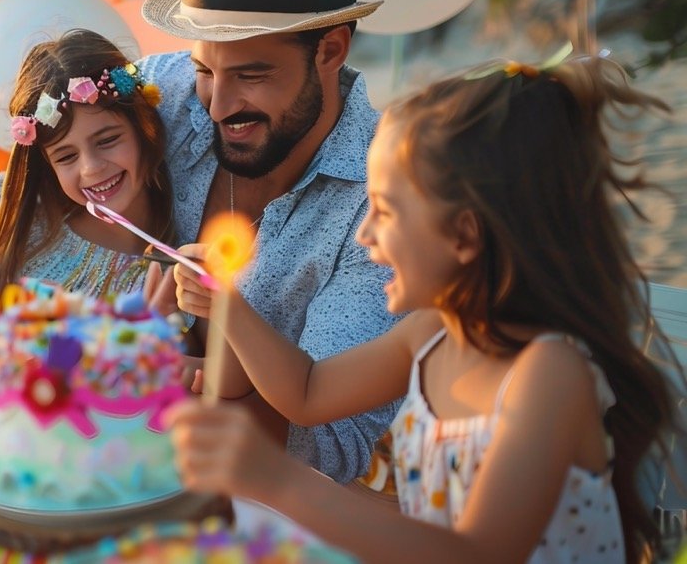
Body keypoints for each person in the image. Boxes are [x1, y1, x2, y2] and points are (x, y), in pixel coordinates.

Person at [0, 0, 404, 482]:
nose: (217, 105)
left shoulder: (384, 202)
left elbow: (331, 443)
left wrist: (131, 390)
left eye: (251, 75)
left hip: (250, 495)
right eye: (206, 69)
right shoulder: (173, 90)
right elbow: (26, 166)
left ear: (331, 49)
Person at [168, 55, 679, 563]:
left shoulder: (549, 374)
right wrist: (228, 304)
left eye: (384, 212)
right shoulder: (432, 333)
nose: (364, 235)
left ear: (463, 235)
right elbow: (306, 393)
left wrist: (278, 479)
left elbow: (479, 554)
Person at [0, 28, 173, 437]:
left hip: (93, 444)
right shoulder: (33, 216)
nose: (92, 168)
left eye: (107, 140)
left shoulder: (164, 263)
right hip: (0, 425)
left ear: (144, 126)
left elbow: (184, 370)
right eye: (66, 156)